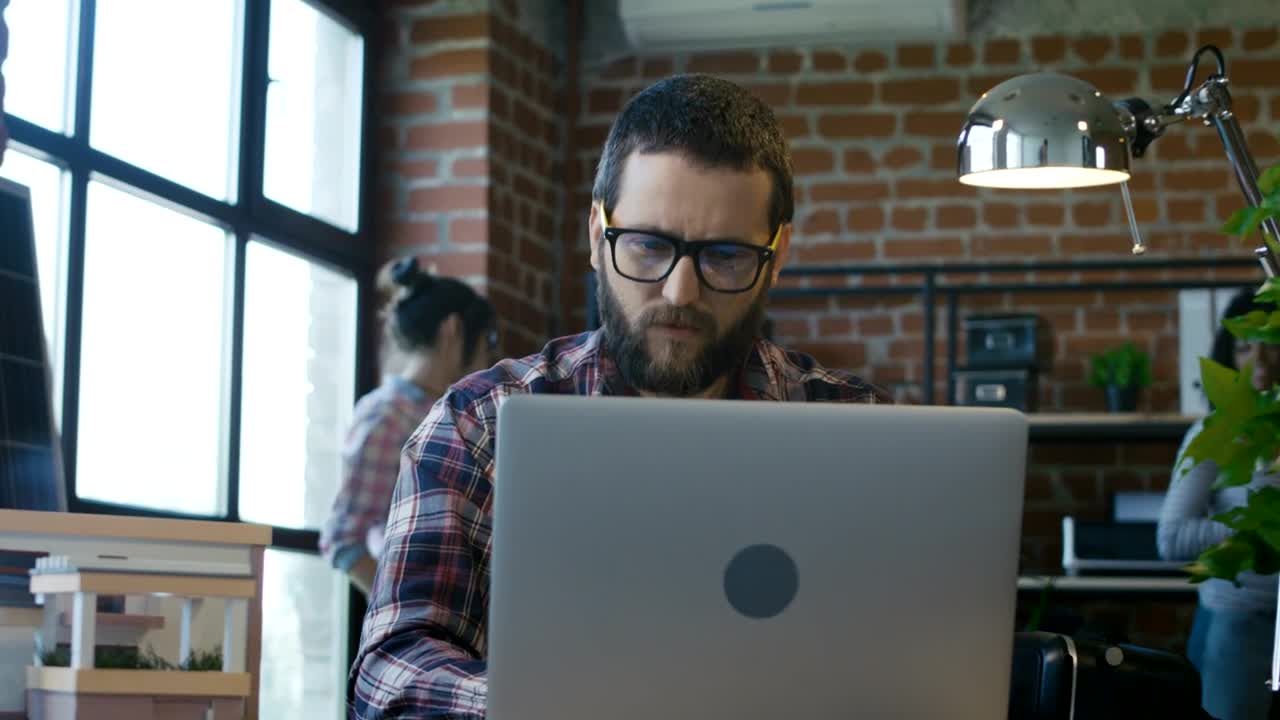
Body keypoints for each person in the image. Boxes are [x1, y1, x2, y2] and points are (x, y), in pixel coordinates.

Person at [348, 74, 889, 719]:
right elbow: (390, 671)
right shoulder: (482, 426)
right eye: (649, 246)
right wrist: (563, 705)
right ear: (596, 233)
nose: (681, 292)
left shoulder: (860, 436)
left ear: (776, 256)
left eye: (725, 256)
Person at [319, 256, 497, 595]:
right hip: (422, 630)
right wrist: (404, 610)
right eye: (486, 341)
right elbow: (342, 541)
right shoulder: (388, 416)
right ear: (453, 329)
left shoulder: (454, 410)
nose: (487, 359)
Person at [1158, 287, 1280, 720]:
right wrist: (1257, 529)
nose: (1260, 362)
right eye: (1245, 347)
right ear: (1229, 355)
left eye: (1272, 346)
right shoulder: (1214, 432)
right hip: (1238, 622)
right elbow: (1171, 539)